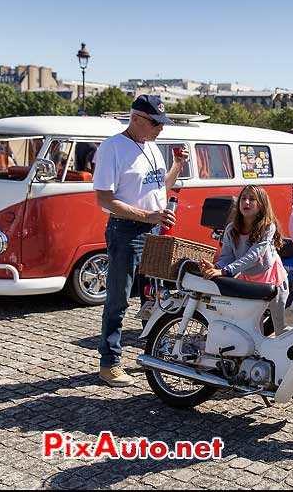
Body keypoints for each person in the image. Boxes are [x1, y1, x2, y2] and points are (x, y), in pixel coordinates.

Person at [93, 94, 188, 387]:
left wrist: (177, 166)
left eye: (162, 123)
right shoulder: (113, 148)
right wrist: (148, 216)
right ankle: (109, 363)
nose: (160, 129)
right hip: (126, 231)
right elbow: (104, 199)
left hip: (152, 230)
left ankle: (155, 352)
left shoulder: (153, 147)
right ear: (135, 118)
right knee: (118, 299)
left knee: (156, 296)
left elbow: (161, 186)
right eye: (155, 123)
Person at [198, 185, 289, 334]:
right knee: (251, 325)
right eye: (243, 198)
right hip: (249, 281)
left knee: (280, 326)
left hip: (273, 280)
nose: (246, 202)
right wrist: (215, 267)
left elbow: (253, 257)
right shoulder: (230, 229)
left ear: (262, 204)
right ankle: (256, 356)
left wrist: (224, 271)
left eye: (252, 199)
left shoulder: (267, 227)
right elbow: (227, 256)